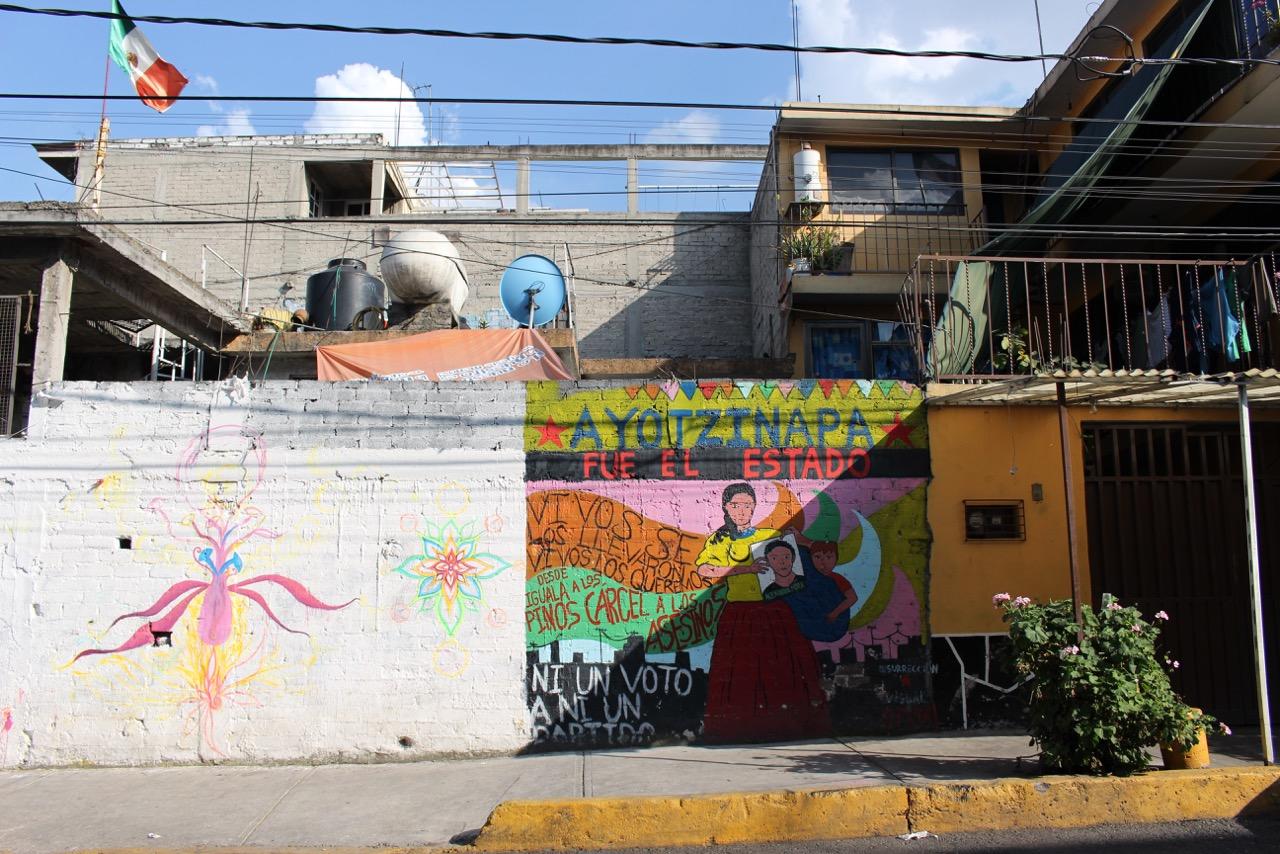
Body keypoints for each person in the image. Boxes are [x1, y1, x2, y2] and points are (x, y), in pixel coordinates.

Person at [695, 483, 829, 743]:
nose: (742, 511)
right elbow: (704, 570)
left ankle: (788, 723)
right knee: (738, 673)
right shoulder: (720, 539)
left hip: (774, 612)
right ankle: (738, 727)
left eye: (747, 505)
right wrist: (744, 569)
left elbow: (804, 559)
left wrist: (799, 543)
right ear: (725, 507)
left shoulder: (769, 535)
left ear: (754, 507)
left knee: (782, 669)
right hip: (739, 615)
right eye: (736, 505)